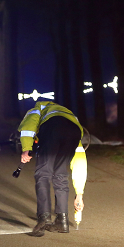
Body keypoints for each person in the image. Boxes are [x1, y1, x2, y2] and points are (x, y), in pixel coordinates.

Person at [18, 100, 87, 237]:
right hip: (75, 132)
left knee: (43, 173)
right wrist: (79, 194)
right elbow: (80, 162)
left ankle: (44, 218)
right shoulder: (69, 115)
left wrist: (26, 149)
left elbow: (28, 127)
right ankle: (62, 221)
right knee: (60, 174)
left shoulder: (38, 109)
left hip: (52, 129)